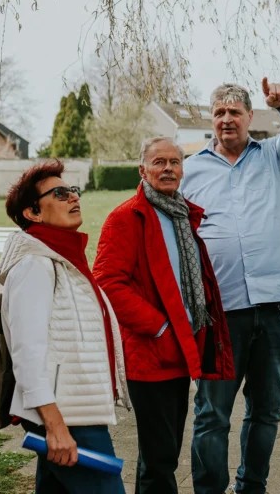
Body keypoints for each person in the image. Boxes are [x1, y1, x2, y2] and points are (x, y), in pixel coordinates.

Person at [181, 79, 280, 494]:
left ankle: (252, 486)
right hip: (220, 311)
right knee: (212, 414)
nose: (226, 120)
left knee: (267, 410)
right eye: (219, 113)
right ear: (211, 118)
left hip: (275, 307)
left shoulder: (276, 155)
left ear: (250, 118)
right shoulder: (191, 168)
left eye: (234, 112)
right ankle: (209, 490)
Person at [93, 137, 235, 494]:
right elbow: (107, 282)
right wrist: (157, 325)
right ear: (142, 170)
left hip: (181, 350)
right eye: (159, 162)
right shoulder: (126, 218)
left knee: (165, 452)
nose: (168, 168)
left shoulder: (182, 214)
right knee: (159, 457)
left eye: (174, 162)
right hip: (150, 352)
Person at [0, 159, 129, 494]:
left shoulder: (65, 262)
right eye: (59, 193)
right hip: (67, 417)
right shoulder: (35, 266)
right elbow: (27, 353)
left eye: (72, 190)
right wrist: (55, 426)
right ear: (33, 214)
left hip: (74, 411)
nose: (73, 197)